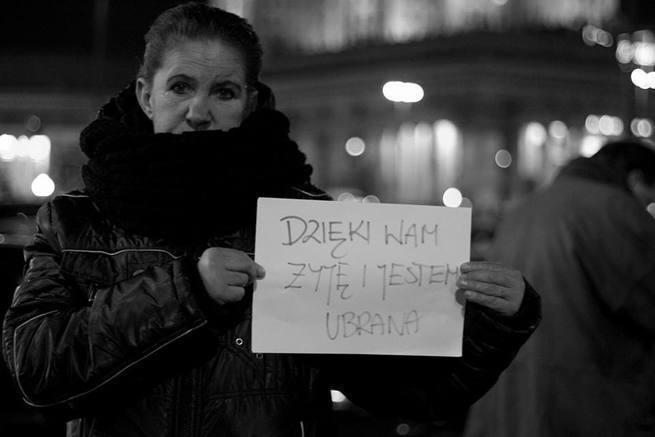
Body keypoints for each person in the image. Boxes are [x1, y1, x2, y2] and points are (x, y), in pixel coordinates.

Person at [2, 3, 540, 436]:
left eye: (224, 92)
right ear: (147, 94)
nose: (199, 111)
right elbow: (36, 371)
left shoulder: (307, 225)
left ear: (250, 102)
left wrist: (494, 323)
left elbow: (410, 392)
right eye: (181, 86)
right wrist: (185, 291)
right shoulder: (75, 220)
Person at [464, 139, 655, 437]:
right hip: (582, 402)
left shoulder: (525, 208)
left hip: (509, 397)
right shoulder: (616, 209)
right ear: (635, 179)